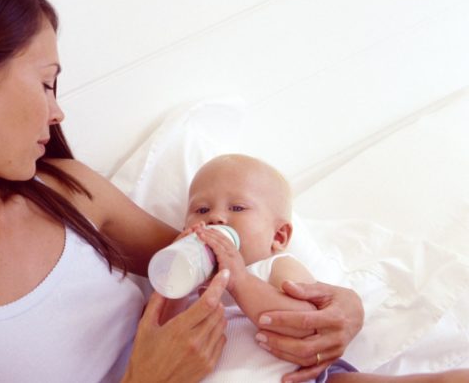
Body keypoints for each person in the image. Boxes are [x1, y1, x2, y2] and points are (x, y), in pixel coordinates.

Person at [0, 0, 364, 383]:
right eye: (46, 83)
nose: (57, 111)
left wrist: (341, 310)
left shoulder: (65, 189)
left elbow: (222, 260)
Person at [183, 154, 469, 382]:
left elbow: (307, 323)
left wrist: (240, 280)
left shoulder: (275, 268)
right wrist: (171, 281)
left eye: (237, 208)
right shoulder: (190, 288)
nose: (217, 218)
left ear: (279, 236)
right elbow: (158, 337)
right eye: (202, 210)